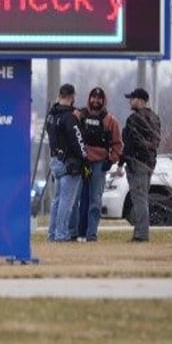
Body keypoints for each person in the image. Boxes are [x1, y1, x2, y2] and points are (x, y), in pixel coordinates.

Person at [68, 86, 123, 242]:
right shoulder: (80, 116)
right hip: (81, 162)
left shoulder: (110, 120)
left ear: (103, 100)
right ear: (89, 99)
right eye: (93, 97)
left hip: (99, 165)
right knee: (75, 198)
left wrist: (111, 160)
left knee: (95, 200)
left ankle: (91, 234)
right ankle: (73, 233)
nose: (96, 101)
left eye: (99, 98)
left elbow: (118, 145)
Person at [45, 83, 90, 242]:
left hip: (55, 160)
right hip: (70, 164)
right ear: (72, 97)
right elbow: (78, 140)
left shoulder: (51, 115)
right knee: (67, 202)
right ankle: (61, 234)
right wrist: (85, 160)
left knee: (56, 200)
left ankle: (52, 234)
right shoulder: (70, 117)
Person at [117, 87, 162, 242]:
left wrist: (121, 162)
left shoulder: (134, 119)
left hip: (136, 163)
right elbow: (156, 142)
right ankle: (141, 232)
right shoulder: (155, 118)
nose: (130, 101)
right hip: (149, 163)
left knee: (139, 199)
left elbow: (128, 144)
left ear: (141, 100)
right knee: (143, 198)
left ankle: (141, 235)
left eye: (132, 98)